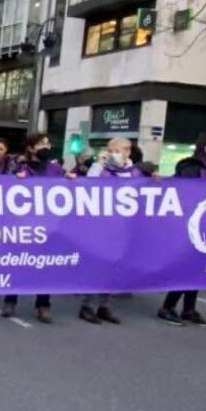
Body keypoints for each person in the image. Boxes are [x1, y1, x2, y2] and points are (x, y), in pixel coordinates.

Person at [157, 132, 206, 327]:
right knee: (186, 268)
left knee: (198, 269)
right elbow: (183, 193)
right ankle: (167, 307)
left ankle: (189, 309)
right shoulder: (193, 168)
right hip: (191, 224)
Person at [2, 134, 70, 323]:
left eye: (48, 143)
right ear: (31, 148)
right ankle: (10, 299)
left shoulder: (56, 169)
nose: (45, 147)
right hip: (24, 225)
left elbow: (68, 188)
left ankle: (43, 304)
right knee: (18, 262)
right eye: (41, 144)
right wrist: (15, 180)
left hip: (48, 226)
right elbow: (3, 189)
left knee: (45, 265)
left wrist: (73, 177)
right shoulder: (20, 168)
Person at [79, 137, 142, 325]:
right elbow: (87, 186)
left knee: (114, 267)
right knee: (97, 267)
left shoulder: (134, 173)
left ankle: (104, 306)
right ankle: (87, 306)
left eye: (118, 149)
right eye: (111, 149)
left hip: (122, 229)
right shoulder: (101, 169)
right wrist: (98, 164)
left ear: (128, 151)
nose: (114, 153)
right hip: (100, 228)